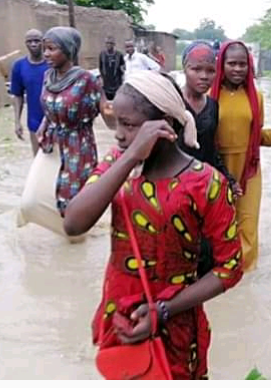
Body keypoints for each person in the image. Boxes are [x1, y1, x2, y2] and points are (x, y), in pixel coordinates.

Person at [63, 70, 244, 379]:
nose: (119, 134)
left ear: (166, 124)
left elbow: (230, 268)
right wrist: (132, 155)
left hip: (174, 314)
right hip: (120, 309)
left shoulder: (206, 183)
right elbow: (73, 224)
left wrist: (163, 311)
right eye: (117, 122)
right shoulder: (118, 165)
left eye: (129, 125)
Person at [211, 41, 271, 271]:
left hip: (249, 168)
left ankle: (243, 275)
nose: (237, 69)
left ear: (249, 66)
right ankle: (217, 272)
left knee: (247, 221)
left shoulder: (257, 97)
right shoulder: (209, 96)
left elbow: (256, 137)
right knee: (218, 224)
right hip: (216, 168)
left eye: (242, 64)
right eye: (232, 63)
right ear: (222, 65)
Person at [17, 26, 114, 239]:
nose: (46, 54)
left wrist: (126, 115)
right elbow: (49, 106)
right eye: (45, 49)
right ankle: (64, 233)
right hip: (51, 143)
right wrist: (43, 126)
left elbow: (107, 114)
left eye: (52, 49)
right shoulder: (47, 76)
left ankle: (76, 238)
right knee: (30, 200)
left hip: (78, 147)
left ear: (68, 50)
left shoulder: (87, 80)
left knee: (73, 204)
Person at [178, 41, 240, 277]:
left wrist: (229, 180)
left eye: (210, 70)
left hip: (203, 188)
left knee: (206, 252)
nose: (204, 76)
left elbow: (211, 150)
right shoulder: (170, 102)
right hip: (174, 188)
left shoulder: (213, 106)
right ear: (184, 68)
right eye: (196, 69)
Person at [10, 29, 50, 156]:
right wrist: (17, 121)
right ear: (25, 43)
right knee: (38, 158)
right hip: (34, 120)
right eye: (29, 41)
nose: (33, 44)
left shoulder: (52, 64)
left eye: (37, 41)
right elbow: (17, 95)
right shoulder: (19, 66)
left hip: (55, 119)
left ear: (43, 42)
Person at [99, 36, 125, 101]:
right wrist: (101, 78)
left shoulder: (119, 55)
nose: (109, 45)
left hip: (116, 84)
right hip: (106, 84)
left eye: (111, 43)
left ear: (114, 44)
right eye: (107, 43)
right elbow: (100, 67)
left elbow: (123, 68)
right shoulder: (102, 54)